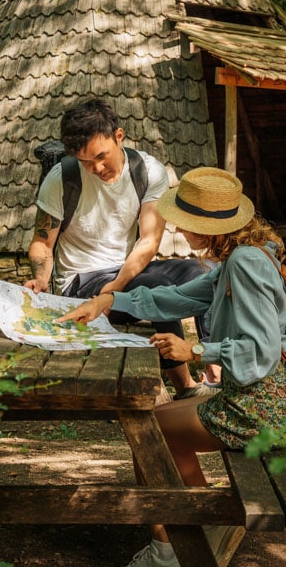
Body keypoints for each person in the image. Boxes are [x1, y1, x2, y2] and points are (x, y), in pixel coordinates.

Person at [57, 166, 286, 567]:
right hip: (259, 399)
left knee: (149, 430)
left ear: (208, 228)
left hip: (259, 408)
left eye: (186, 223)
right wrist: (108, 300)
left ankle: (169, 550)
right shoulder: (242, 256)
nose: (179, 229)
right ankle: (202, 521)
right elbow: (177, 297)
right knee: (162, 416)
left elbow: (261, 352)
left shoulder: (244, 264)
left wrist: (195, 349)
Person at [25, 99, 218, 398]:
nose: (96, 168)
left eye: (101, 157)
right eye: (86, 162)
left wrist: (115, 289)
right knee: (158, 286)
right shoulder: (61, 178)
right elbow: (42, 243)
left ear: (119, 136)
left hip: (126, 271)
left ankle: (213, 365)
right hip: (82, 284)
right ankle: (186, 388)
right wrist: (40, 277)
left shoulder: (149, 170)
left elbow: (149, 241)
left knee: (208, 272)